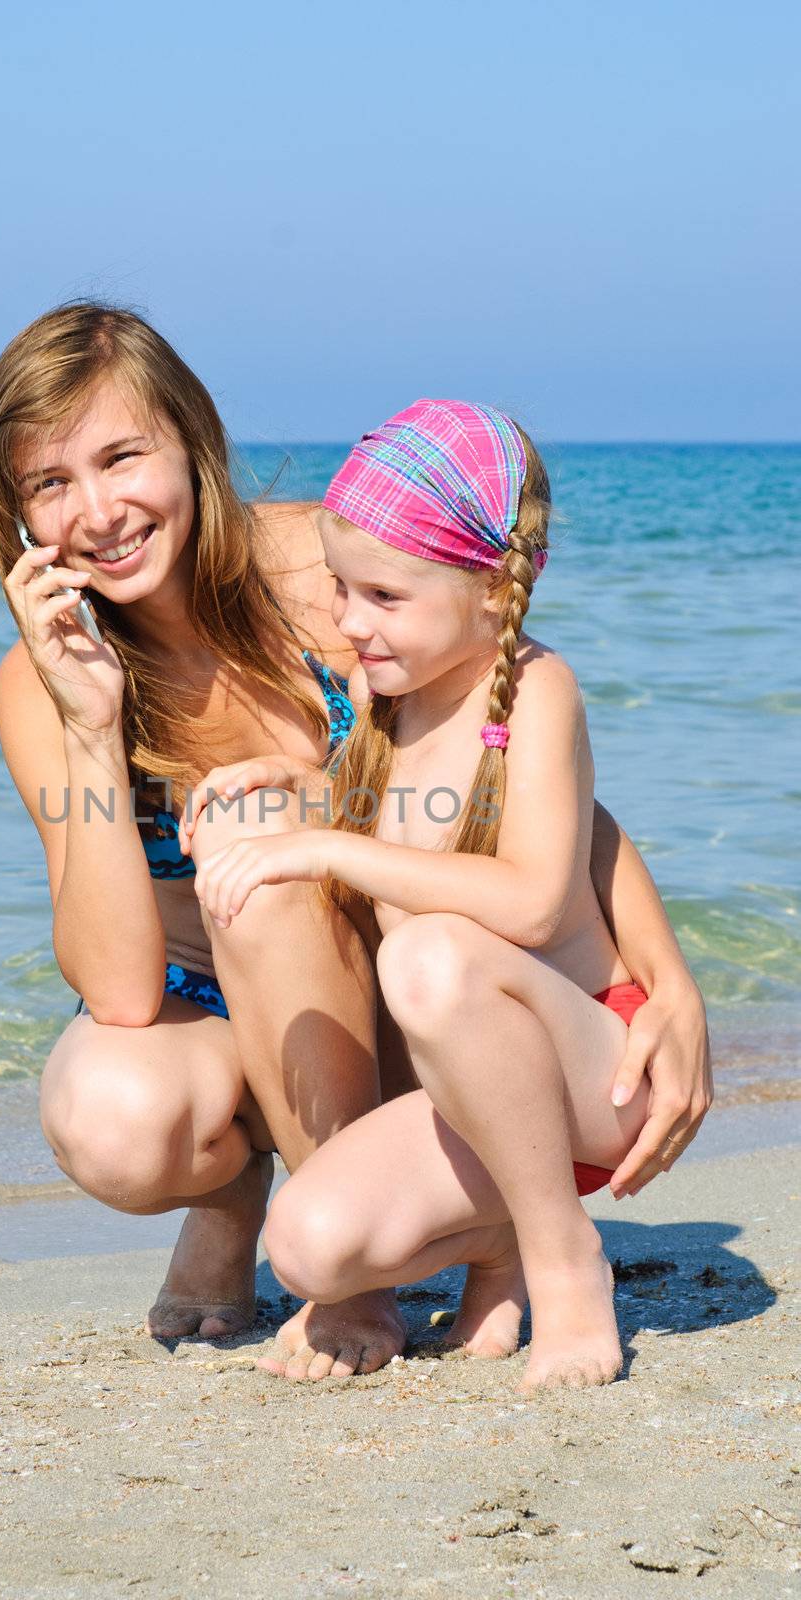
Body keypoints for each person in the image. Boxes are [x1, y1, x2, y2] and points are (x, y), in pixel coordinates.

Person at [0, 306, 711, 1380]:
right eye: (51, 483)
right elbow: (123, 993)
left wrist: (668, 978)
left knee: (261, 845)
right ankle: (242, 1196)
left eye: (122, 456)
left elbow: (526, 776)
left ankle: (363, 1279)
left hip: (405, 984)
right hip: (223, 1017)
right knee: (110, 1117)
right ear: (16, 511)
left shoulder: (325, 570)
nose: (97, 511)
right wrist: (93, 726)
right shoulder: (40, 682)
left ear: (192, 437)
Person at [192, 399, 711, 1388]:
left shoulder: (534, 688)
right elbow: (408, 819)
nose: (348, 621)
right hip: (492, 1100)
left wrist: (330, 855)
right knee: (309, 1246)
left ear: (490, 589)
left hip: (594, 1068)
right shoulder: (388, 700)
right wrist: (301, 791)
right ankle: (501, 1240)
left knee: (425, 954)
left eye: (383, 595)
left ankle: (564, 1262)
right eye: (341, 590)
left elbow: (533, 903)